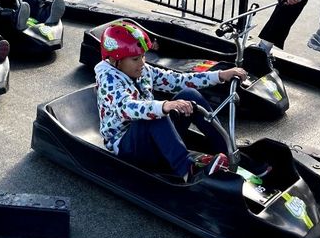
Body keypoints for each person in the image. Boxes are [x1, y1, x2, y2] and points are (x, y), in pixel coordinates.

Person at [95, 21, 249, 182]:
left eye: (143, 56)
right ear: (115, 61)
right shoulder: (108, 80)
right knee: (153, 115)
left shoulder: (143, 70)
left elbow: (178, 80)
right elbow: (128, 108)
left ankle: (229, 151)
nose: (142, 63)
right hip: (129, 147)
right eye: (135, 58)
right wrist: (165, 106)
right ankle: (187, 169)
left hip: (151, 137)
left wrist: (220, 75)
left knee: (189, 94)